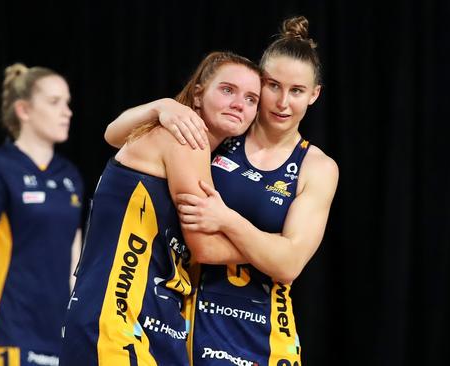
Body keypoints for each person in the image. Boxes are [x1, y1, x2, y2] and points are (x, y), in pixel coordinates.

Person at [104, 16, 338, 366]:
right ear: (259, 84)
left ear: (314, 95)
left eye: (297, 91)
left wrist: (228, 220)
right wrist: (162, 106)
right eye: (273, 86)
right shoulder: (222, 132)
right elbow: (116, 137)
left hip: (263, 334)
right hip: (184, 323)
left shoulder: (317, 167)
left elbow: (289, 265)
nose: (283, 103)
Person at [58, 51, 262, 366]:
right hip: (117, 318)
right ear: (198, 93)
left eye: (251, 99)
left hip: (152, 320)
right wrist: (279, 253)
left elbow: (112, 134)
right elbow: (205, 246)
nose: (240, 104)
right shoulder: (184, 138)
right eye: (227, 90)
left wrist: (161, 106)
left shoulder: (186, 141)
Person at [0, 63, 84, 366]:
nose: (67, 112)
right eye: (54, 102)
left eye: (67, 103)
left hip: (56, 335)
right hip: (6, 334)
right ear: (24, 110)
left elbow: (75, 261)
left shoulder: (70, 176)